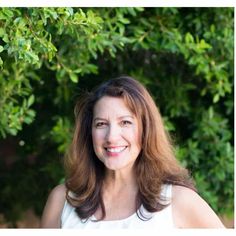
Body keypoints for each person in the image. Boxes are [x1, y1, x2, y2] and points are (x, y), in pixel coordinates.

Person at [40, 76, 225, 228]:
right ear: (89, 133)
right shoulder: (61, 201)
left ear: (146, 130)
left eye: (125, 122)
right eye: (101, 124)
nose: (111, 136)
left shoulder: (179, 201)